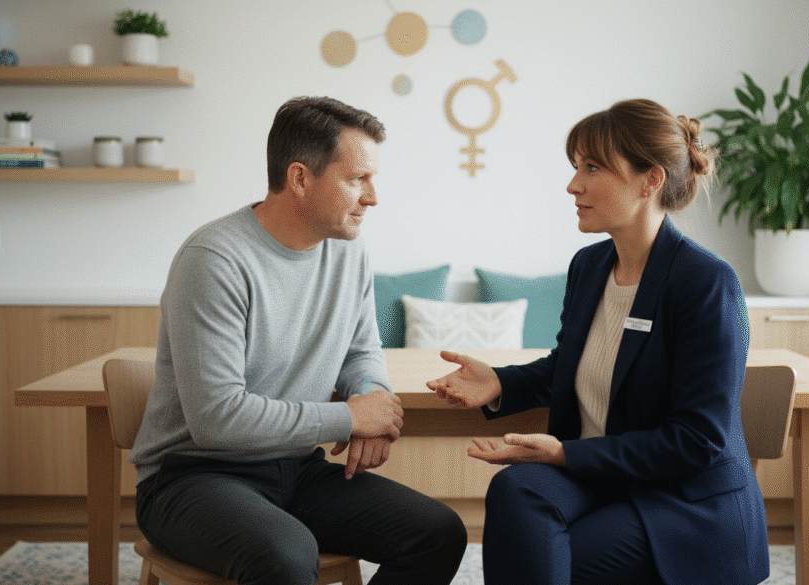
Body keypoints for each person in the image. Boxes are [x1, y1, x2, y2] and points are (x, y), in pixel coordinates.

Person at [427, 99, 770, 585]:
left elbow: (698, 441)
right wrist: (499, 382)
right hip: (603, 478)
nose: (573, 185)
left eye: (592, 168)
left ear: (650, 180)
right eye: (575, 167)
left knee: (535, 560)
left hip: (680, 500)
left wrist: (564, 454)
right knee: (515, 491)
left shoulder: (704, 282)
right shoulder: (589, 268)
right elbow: (573, 365)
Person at [129, 96, 467, 585]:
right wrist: (350, 417)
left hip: (294, 467)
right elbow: (217, 420)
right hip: (191, 477)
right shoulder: (214, 260)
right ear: (300, 179)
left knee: (438, 533)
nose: (372, 197)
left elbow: (360, 349)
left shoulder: (349, 252)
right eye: (356, 179)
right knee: (287, 556)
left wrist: (369, 393)